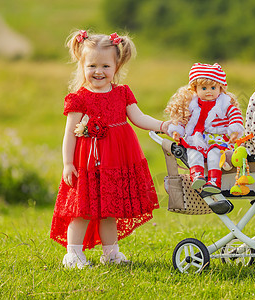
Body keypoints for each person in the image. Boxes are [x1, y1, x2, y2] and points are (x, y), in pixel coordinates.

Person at [50, 30, 169, 269]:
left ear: (117, 65)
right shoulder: (78, 98)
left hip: (116, 161)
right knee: (82, 208)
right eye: (92, 65)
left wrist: (164, 125)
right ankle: (73, 254)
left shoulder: (122, 93)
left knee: (109, 210)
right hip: (86, 163)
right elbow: (69, 133)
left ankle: (111, 253)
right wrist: (67, 164)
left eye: (105, 65)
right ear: (82, 65)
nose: (98, 71)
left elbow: (139, 117)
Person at [165, 63, 244, 193]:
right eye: (204, 88)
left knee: (215, 155)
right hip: (196, 138)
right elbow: (182, 119)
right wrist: (176, 131)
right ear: (195, 89)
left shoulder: (225, 103)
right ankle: (197, 175)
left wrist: (234, 131)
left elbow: (235, 116)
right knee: (193, 153)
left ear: (220, 88)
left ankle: (214, 181)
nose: (209, 91)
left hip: (217, 139)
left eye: (213, 87)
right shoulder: (191, 104)